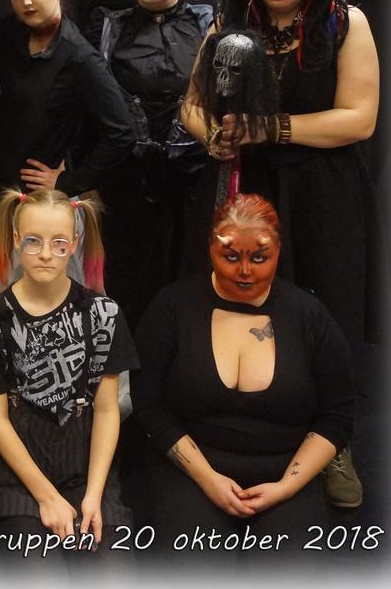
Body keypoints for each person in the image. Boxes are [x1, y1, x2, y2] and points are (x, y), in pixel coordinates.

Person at [180, 0, 380, 507]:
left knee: (328, 314)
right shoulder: (229, 25)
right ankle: (247, 429)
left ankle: (333, 442)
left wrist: (271, 128)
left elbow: (359, 118)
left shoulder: (345, 24)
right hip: (250, 189)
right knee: (248, 306)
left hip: (324, 194)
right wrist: (211, 135)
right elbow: (191, 105)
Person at [0, 0, 132, 455]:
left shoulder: (79, 58)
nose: (25, 1)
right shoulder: (8, 35)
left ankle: (60, 428)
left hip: (45, 217)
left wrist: (68, 181)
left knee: (53, 320)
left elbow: (121, 132)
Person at [130, 193, 355, 563]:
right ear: (210, 249)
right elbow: (149, 403)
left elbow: (338, 415)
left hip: (285, 472)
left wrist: (286, 487)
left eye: (259, 257)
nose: (245, 270)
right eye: (231, 257)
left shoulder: (309, 316)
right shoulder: (172, 307)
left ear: (278, 251)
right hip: (192, 470)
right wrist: (207, 478)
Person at [0, 188, 136, 563]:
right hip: (19, 479)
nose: (45, 254)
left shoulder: (103, 314)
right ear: (15, 240)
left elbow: (107, 411)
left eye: (58, 243)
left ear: (74, 243)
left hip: (87, 471)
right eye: (33, 241)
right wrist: (46, 497)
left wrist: (94, 495)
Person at [89, 0, 217, 331]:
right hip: (128, 189)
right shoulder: (107, 28)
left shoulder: (211, 23)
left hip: (197, 184)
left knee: (196, 288)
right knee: (131, 297)